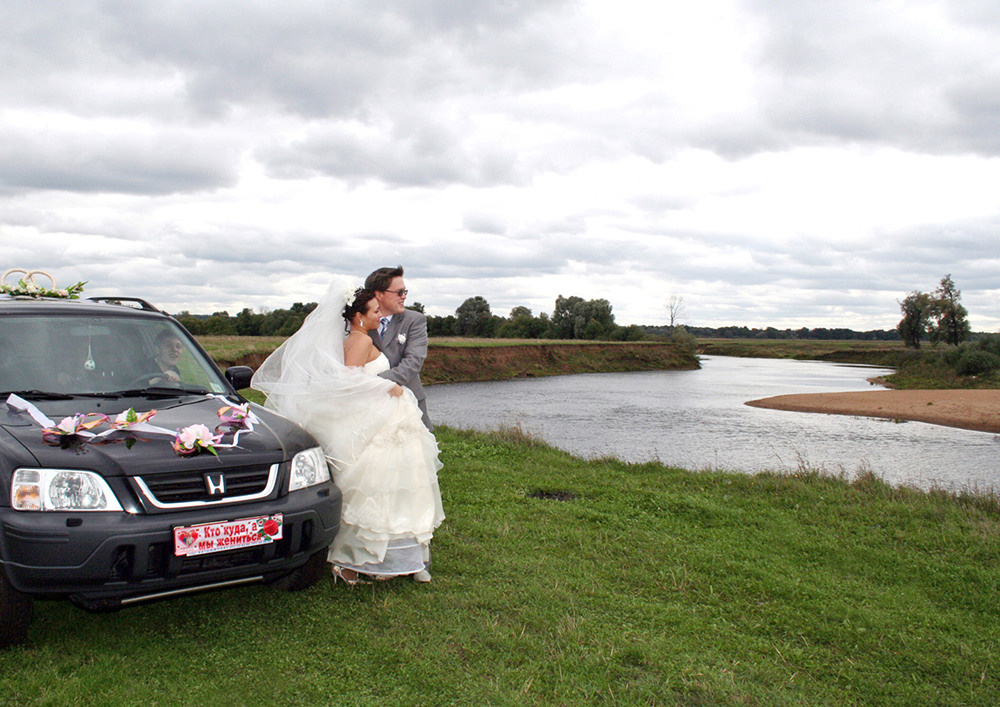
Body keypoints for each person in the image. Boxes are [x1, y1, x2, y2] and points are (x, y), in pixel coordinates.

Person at [251, 278, 444, 585]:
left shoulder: (359, 338)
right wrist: (386, 385)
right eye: (373, 311)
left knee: (395, 489)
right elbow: (348, 384)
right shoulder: (361, 341)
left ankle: (391, 557)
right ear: (358, 316)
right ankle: (359, 561)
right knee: (384, 489)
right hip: (379, 419)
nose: (379, 316)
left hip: (385, 417)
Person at [365, 265, 432, 429]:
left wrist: (373, 384)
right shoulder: (358, 321)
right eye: (399, 292)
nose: (404, 297)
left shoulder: (415, 320)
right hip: (367, 406)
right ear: (379, 294)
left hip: (408, 401)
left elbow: (413, 362)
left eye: (405, 292)